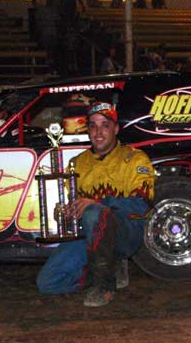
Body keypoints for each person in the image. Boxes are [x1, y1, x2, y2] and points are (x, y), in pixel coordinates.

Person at [37, 102, 155, 307]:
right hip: (90, 234)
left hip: (125, 232)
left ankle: (104, 286)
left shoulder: (135, 159)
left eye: (105, 125)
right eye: (93, 125)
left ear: (116, 129)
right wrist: (67, 212)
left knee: (93, 212)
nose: (98, 132)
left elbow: (141, 205)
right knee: (48, 282)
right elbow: (78, 208)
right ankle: (109, 268)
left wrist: (98, 203)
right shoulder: (77, 162)